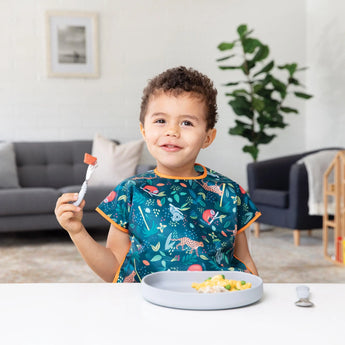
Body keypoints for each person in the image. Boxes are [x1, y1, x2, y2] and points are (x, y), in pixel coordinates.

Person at [55, 66, 261, 283]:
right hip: (149, 309)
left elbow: (244, 261)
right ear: (144, 131)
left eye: (187, 123)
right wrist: (77, 231)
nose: (172, 131)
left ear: (208, 137)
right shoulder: (130, 192)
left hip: (213, 305)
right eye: (161, 121)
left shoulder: (228, 193)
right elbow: (113, 269)